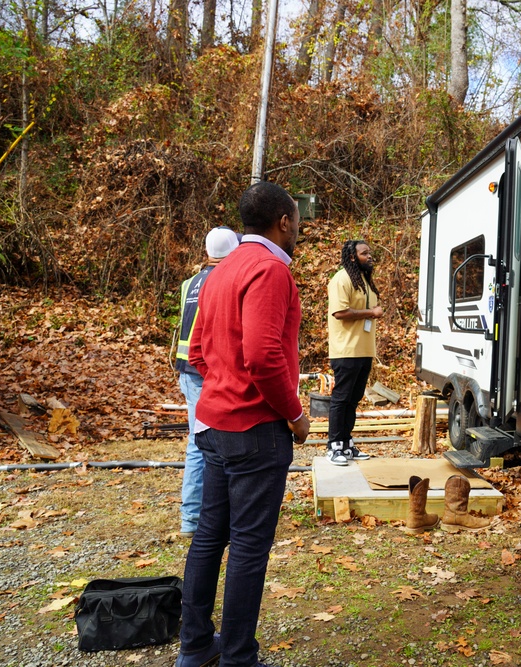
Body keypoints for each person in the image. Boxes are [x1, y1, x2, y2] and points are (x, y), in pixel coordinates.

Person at [175, 181, 310, 667]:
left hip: (212, 424)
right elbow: (262, 355)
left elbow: (196, 352)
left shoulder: (218, 271)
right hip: (256, 431)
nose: (298, 228)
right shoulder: (270, 269)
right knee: (249, 546)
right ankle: (237, 656)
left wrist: (222, 387)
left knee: (211, 536)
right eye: (296, 220)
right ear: (283, 222)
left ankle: (194, 648)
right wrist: (294, 414)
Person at [173, 226, 240, 538]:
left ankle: (194, 517)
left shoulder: (190, 282)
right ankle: (197, 518)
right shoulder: (223, 280)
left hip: (187, 370)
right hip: (207, 370)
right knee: (207, 446)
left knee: (196, 443)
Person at [325, 239, 382, 466]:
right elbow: (339, 312)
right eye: (364, 253)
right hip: (346, 350)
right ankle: (334, 446)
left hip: (364, 350)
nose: (369, 256)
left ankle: (346, 443)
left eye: (369, 252)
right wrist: (371, 312)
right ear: (351, 257)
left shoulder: (364, 281)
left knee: (353, 400)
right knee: (341, 399)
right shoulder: (341, 279)